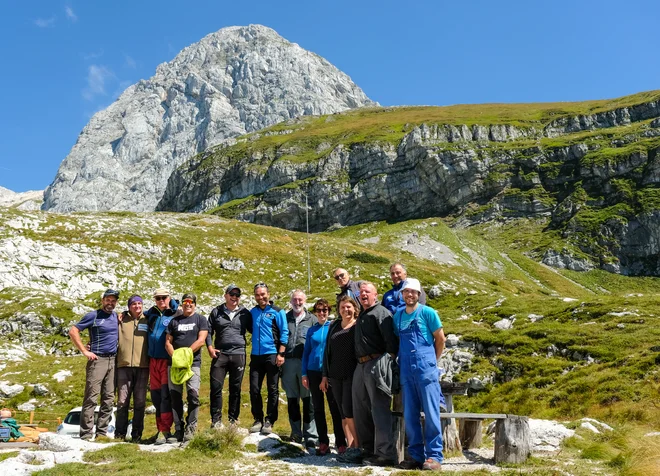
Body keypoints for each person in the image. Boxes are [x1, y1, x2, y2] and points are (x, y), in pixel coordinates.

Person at [394, 279, 446, 471]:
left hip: (426, 370)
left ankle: (434, 456)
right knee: (410, 414)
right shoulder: (398, 316)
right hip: (407, 370)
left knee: (431, 414)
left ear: (419, 295)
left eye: (413, 292)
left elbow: (440, 339)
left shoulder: (428, 313)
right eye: (406, 292)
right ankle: (415, 456)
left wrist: (432, 361)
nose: (410, 295)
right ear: (402, 295)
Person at [347, 281, 399, 466]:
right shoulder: (362, 314)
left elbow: (391, 342)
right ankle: (368, 450)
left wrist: (386, 364)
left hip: (376, 362)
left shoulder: (381, 312)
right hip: (361, 365)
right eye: (361, 293)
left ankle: (385, 454)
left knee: (379, 409)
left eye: (367, 292)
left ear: (375, 295)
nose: (364, 295)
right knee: (361, 410)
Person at [68, 289, 120, 441]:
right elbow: (73, 331)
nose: (110, 303)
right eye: (108, 300)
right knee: (91, 397)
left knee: (109, 398)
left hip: (113, 360)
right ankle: (85, 434)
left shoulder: (116, 316)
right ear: (102, 300)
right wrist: (84, 351)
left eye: (113, 301)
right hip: (97, 361)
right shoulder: (93, 315)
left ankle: (101, 434)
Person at [302, 299, 346, 456]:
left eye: (325, 310)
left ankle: (341, 442)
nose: (322, 313)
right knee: (318, 409)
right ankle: (323, 442)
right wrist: (304, 373)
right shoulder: (311, 330)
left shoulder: (333, 327)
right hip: (313, 372)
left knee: (335, 408)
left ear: (329, 311)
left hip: (330, 372)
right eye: (319, 310)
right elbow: (306, 352)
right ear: (315, 312)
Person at [206, 284, 252, 429]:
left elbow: (255, 329)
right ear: (225, 295)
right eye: (231, 294)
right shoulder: (216, 311)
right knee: (215, 387)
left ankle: (233, 420)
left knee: (235, 388)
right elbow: (208, 331)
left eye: (237, 295)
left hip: (238, 354)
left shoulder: (245, 313)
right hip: (220, 354)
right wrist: (209, 347)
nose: (234, 297)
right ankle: (216, 421)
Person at [165, 293, 209, 443]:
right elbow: (168, 342)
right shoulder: (174, 321)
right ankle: (178, 429)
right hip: (175, 365)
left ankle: (191, 428)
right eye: (185, 302)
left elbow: (202, 340)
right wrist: (176, 358)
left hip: (193, 364)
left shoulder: (201, 319)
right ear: (181, 304)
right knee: (175, 397)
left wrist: (186, 354)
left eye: (191, 302)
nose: (188, 304)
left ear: (195, 304)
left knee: (193, 395)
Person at [320, 296, 360, 458]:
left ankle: (358, 446)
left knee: (350, 411)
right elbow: (327, 352)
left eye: (349, 307)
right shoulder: (334, 325)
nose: (346, 310)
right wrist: (324, 375)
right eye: (343, 307)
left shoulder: (358, 325)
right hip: (335, 375)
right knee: (342, 412)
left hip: (353, 374)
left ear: (355, 309)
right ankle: (350, 447)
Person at [249, 283, 289, 435]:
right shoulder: (252, 312)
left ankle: (269, 420)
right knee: (254, 389)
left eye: (263, 294)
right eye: (258, 295)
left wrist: (281, 354)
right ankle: (257, 419)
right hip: (256, 355)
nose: (261, 297)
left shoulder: (278, 312)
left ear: (268, 294)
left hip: (272, 354)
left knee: (272, 389)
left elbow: (284, 333)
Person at [145, 288, 181, 444]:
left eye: (164, 297)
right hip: (152, 361)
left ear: (169, 297)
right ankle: (160, 429)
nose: (161, 300)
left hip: (166, 361)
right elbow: (137, 314)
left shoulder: (176, 313)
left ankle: (166, 429)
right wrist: (123, 314)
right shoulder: (151, 313)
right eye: (158, 298)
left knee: (166, 396)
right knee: (156, 397)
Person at [282, 290, 318, 446]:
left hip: (306, 364)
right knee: (292, 399)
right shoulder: (284, 317)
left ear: (305, 301)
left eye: (300, 300)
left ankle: (311, 435)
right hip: (288, 363)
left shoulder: (313, 320)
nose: (297, 302)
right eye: (295, 300)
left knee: (308, 399)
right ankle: (295, 433)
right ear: (291, 301)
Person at [115, 294, 150, 442]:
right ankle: (119, 434)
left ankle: (137, 435)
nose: (137, 306)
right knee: (122, 401)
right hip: (124, 366)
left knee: (140, 402)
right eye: (134, 304)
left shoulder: (148, 319)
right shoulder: (121, 319)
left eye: (139, 304)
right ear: (129, 306)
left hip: (143, 366)